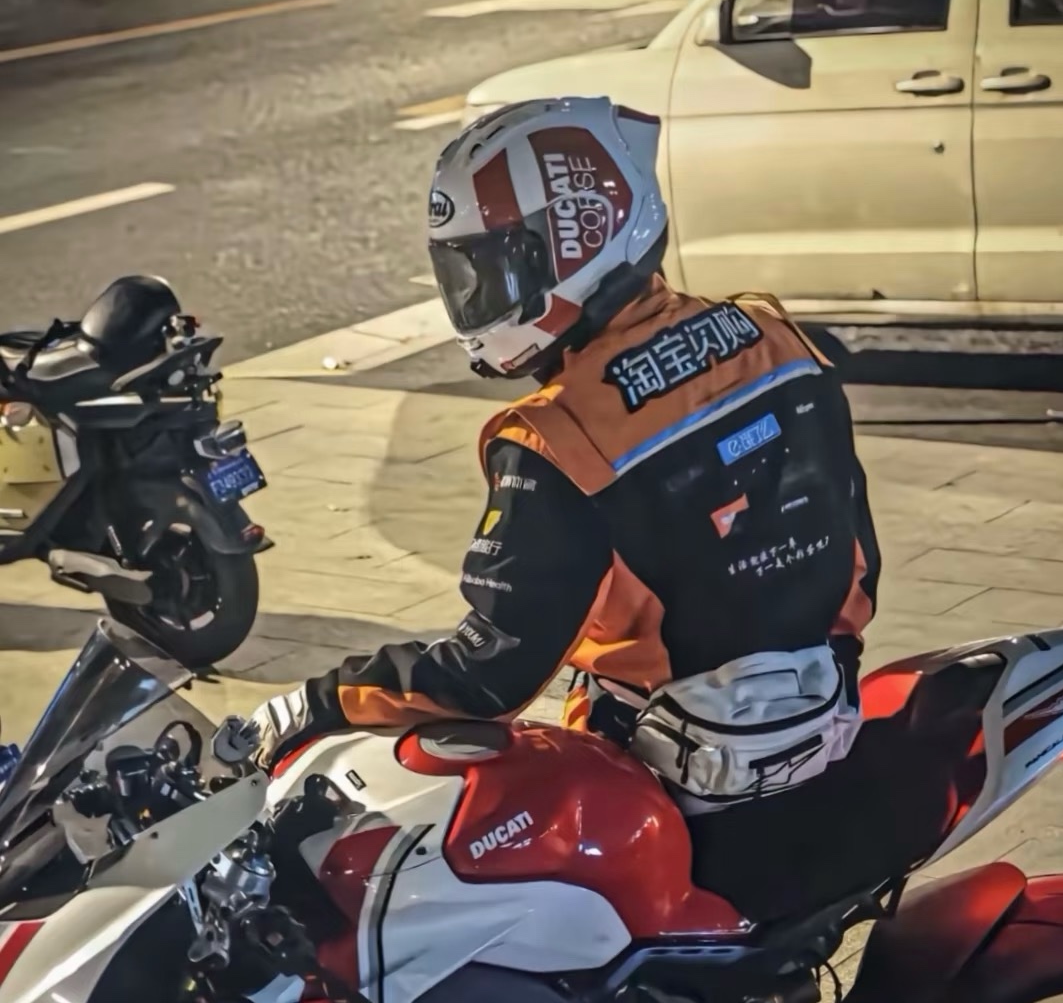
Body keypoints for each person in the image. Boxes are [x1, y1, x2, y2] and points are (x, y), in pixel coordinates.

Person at [249, 96, 951, 922]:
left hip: (669, 786)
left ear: (572, 245)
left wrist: (318, 700)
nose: (478, 296)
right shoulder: (776, 338)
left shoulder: (558, 437)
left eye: (492, 267)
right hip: (823, 727)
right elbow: (857, 563)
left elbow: (487, 676)